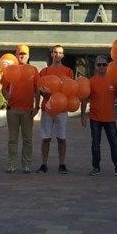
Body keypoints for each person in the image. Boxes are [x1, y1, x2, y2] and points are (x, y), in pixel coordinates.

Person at [80, 55, 117, 177]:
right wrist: (83, 115)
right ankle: (96, 167)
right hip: (95, 118)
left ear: (107, 66)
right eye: (99, 64)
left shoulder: (113, 81)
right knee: (95, 144)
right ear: (95, 66)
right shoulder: (91, 81)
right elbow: (84, 98)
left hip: (110, 118)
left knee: (114, 143)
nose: (101, 67)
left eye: (104, 64)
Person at [1, 45, 40, 173]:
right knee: (12, 139)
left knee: (27, 139)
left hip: (28, 110)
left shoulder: (33, 70)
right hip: (13, 109)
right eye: (20, 53)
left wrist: (37, 107)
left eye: (24, 54)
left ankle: (26, 164)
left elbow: (37, 90)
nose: (22, 56)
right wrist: (7, 96)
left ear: (28, 56)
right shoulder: (10, 70)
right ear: (16, 54)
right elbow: (4, 88)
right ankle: (11, 164)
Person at [36, 45, 74, 174]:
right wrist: (45, 95)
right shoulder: (44, 72)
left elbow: (71, 89)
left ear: (63, 55)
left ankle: (62, 164)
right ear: (51, 54)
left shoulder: (68, 71)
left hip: (62, 110)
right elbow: (39, 90)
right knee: (46, 138)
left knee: (61, 138)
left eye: (60, 53)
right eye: (55, 53)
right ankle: (44, 164)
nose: (57, 55)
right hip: (47, 109)